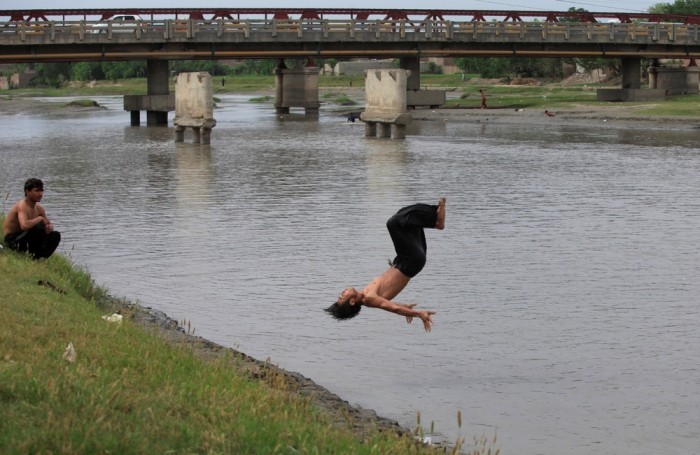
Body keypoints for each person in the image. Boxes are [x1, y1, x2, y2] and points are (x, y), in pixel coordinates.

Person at [325, 198, 445, 332]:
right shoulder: (370, 298)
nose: (342, 292)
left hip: (406, 261)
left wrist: (406, 308)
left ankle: (436, 221)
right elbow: (392, 308)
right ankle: (436, 219)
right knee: (393, 223)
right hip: (410, 261)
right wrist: (418, 313)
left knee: (405, 221)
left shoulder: (367, 295)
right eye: (342, 296)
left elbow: (390, 303)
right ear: (352, 301)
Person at [2, 178, 61, 259]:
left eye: (41, 191)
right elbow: (24, 225)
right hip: (12, 240)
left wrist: (50, 227)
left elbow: (48, 223)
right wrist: (39, 218)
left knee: (56, 235)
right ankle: (32, 255)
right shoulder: (22, 206)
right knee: (38, 226)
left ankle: (38, 258)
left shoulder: (39, 208)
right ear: (27, 191)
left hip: (26, 237)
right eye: (37, 191)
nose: (40, 194)